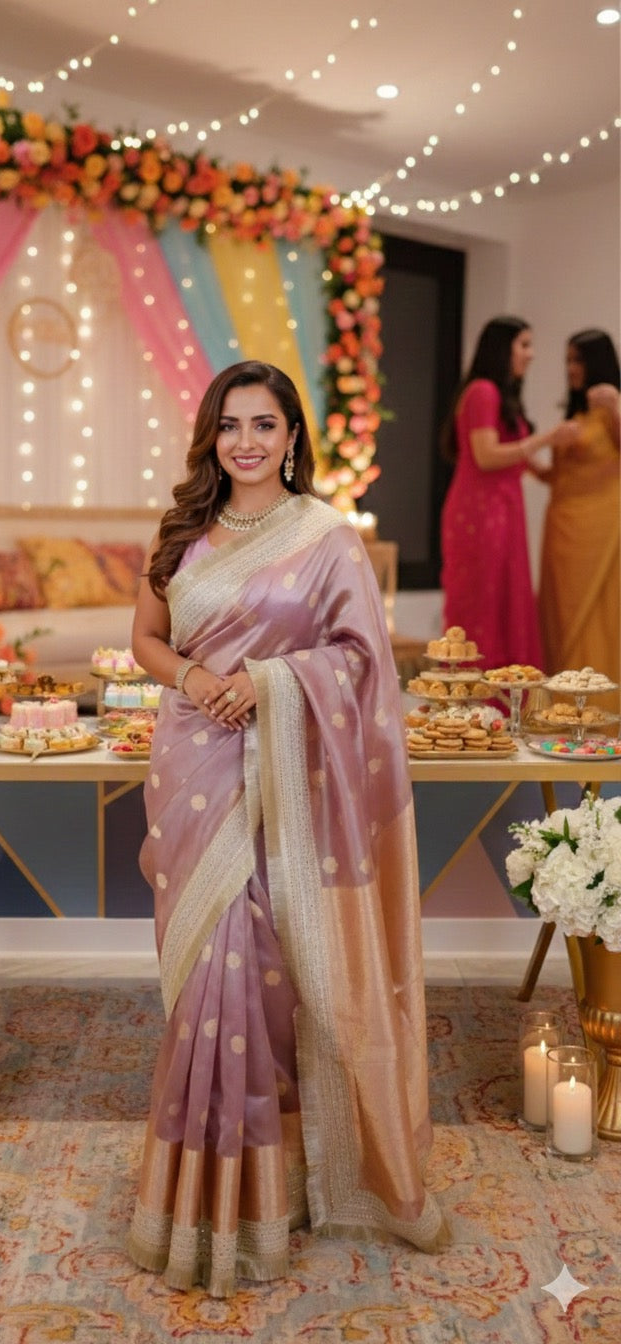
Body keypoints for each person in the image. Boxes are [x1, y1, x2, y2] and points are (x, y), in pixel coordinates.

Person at [127, 360, 447, 1298]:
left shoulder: (328, 540)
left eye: (264, 425)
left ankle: (268, 1189)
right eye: (230, 426)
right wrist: (194, 681)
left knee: (262, 975)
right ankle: (196, 1198)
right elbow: (147, 638)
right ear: (210, 438)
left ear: (293, 437)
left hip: (287, 779)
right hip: (193, 768)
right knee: (204, 985)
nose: (247, 443)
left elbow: (360, 662)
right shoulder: (182, 532)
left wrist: (265, 683)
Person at [439, 316, 565, 669]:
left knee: (508, 602)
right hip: (479, 515)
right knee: (482, 605)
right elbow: (486, 456)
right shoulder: (483, 391)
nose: (532, 354)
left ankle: (509, 706)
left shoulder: (503, 397)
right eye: (524, 345)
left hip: (504, 511)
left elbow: (534, 468)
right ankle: (477, 704)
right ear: (502, 349)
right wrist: (546, 439)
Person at [538, 328, 620, 699]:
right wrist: (522, 454)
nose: (571, 368)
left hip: (601, 531)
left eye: (578, 360)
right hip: (561, 528)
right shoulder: (575, 414)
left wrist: (617, 405)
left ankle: (601, 710)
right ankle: (562, 707)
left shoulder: (607, 412)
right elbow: (557, 477)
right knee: (559, 616)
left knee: (599, 618)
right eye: (568, 360)